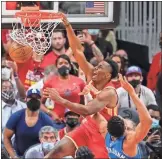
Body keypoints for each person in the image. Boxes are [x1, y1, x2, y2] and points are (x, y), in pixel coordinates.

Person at [103, 74, 152, 158]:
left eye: (129, 129)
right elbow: (147, 121)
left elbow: (94, 114)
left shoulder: (107, 132)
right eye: (125, 126)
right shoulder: (128, 141)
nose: (125, 129)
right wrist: (132, 92)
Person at [3, 88, 54, 158]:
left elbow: (53, 141)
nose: (34, 100)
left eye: (37, 98)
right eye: (31, 97)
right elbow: (6, 137)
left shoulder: (46, 120)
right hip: (19, 155)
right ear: (26, 99)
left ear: (40, 100)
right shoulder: (16, 116)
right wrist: (14, 156)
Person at [41, 54, 85, 130]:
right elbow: (41, 103)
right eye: (60, 63)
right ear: (57, 66)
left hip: (75, 120)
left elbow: (83, 103)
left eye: (66, 63)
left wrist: (81, 115)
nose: (63, 65)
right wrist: (52, 113)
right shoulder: (50, 82)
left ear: (70, 66)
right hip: (58, 121)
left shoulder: (80, 82)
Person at [1, 80, 26, 145]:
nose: (8, 90)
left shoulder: (23, 106)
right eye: (4, 88)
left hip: (21, 143)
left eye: (10, 88)